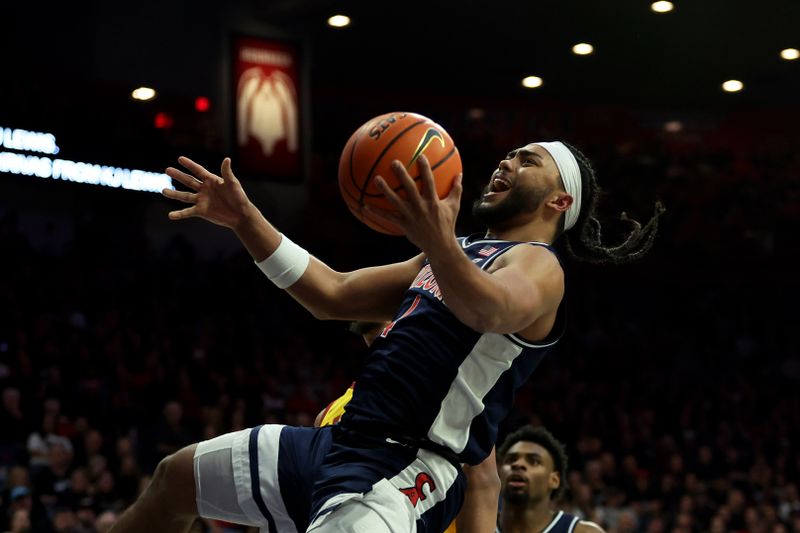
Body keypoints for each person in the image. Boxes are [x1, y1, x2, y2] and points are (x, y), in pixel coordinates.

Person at [111, 140, 662, 533]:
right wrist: (246, 220)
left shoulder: (540, 265)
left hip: (407, 466)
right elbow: (333, 293)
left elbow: (490, 310)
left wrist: (439, 241)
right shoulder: (453, 252)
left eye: (528, 159)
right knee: (176, 478)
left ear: (559, 202)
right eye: (509, 154)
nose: (507, 160)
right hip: (340, 441)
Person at [497, 425, 605, 533]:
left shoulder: (584, 531)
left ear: (554, 480)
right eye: (511, 459)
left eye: (534, 461)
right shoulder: (480, 525)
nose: (517, 464)